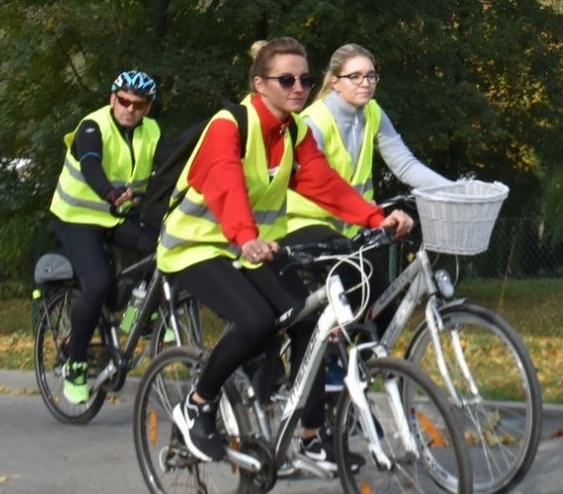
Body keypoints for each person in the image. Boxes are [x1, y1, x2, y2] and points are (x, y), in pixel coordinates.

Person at [156, 37, 413, 470]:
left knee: (308, 324)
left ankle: (310, 438)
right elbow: (225, 182)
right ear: (261, 85)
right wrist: (245, 236)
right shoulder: (230, 124)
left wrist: (374, 217)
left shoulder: (292, 132)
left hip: (253, 247)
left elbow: (324, 183)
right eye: (287, 79)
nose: (300, 87)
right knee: (255, 321)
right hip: (196, 246)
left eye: (306, 79)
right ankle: (198, 403)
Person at [286, 43, 452, 333]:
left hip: (354, 227)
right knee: (340, 314)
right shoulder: (315, 121)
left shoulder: (372, 112)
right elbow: (314, 183)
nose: (365, 82)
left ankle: (363, 372)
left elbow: (404, 164)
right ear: (335, 82)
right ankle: (335, 368)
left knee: (383, 310)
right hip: (308, 227)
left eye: (371, 76)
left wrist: (453, 189)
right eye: (356, 76)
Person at [47, 69, 162, 406]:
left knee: (165, 247)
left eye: (138, 105)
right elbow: (91, 163)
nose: (130, 109)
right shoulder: (92, 126)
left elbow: (168, 169)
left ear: (147, 108)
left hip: (118, 217)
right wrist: (108, 192)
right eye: (123, 101)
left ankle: (135, 316)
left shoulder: (151, 131)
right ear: (112, 99)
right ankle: (76, 364)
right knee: (97, 284)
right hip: (77, 217)